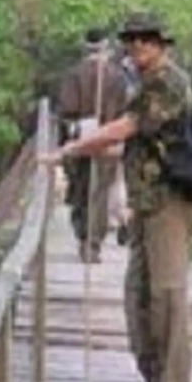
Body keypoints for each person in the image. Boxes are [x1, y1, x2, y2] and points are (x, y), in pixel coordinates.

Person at [42, 13, 192, 382]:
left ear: (162, 45)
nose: (138, 48)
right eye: (132, 41)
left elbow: (127, 127)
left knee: (167, 297)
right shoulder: (141, 83)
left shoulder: (169, 83)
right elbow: (131, 138)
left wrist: (72, 149)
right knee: (136, 298)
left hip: (170, 201)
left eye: (146, 41)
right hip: (145, 203)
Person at [53, 26, 131, 262]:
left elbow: (66, 109)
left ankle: (84, 236)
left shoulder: (74, 74)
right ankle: (92, 243)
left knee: (81, 188)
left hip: (80, 139)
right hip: (108, 140)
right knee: (99, 191)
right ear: (106, 47)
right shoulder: (117, 76)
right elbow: (124, 110)